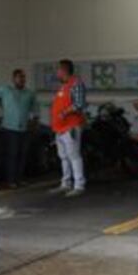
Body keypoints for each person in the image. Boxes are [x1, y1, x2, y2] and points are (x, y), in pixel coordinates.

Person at [0, 68, 39, 188]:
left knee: (22, 155)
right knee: (12, 155)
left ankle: (19, 178)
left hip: (24, 128)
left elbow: (34, 109)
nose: (22, 79)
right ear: (13, 79)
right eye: (19, 77)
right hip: (10, 128)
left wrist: (34, 122)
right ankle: (11, 180)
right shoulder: (5, 90)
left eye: (23, 77)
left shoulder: (29, 93)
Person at [51, 59, 87, 197]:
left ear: (64, 70)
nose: (57, 73)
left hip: (70, 126)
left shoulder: (75, 84)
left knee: (74, 156)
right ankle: (66, 183)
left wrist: (64, 113)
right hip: (60, 128)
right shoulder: (63, 86)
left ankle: (79, 184)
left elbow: (79, 104)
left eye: (58, 70)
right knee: (64, 157)